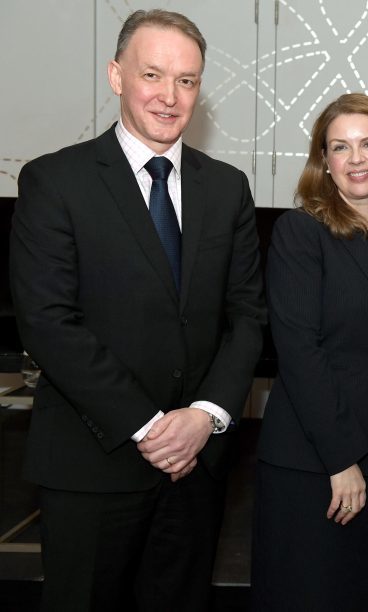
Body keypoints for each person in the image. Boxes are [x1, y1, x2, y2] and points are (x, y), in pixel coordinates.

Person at [9, 9, 265, 611]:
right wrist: (151, 427)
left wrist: (203, 417)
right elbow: (48, 322)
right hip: (92, 466)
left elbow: (248, 316)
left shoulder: (227, 187)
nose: (171, 97)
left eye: (188, 80)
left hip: (195, 470)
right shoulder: (55, 181)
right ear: (116, 75)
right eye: (154, 74)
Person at [250, 93, 368, 610]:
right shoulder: (302, 232)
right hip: (317, 466)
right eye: (340, 147)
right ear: (325, 162)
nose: (357, 158)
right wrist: (341, 459)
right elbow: (299, 351)